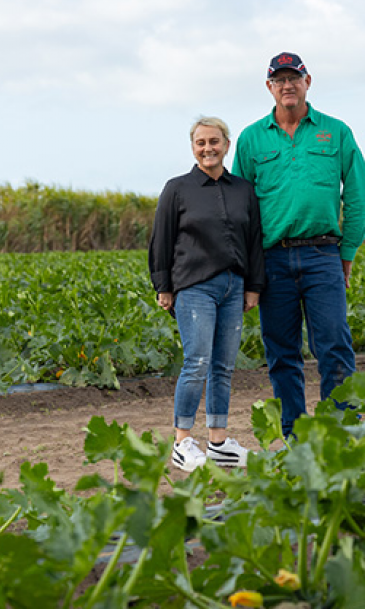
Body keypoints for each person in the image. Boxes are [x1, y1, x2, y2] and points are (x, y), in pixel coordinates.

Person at [233, 52, 365, 438]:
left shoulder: (335, 131)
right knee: (282, 354)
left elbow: (358, 194)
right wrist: (248, 268)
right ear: (269, 88)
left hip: (322, 255)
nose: (287, 86)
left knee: (334, 346)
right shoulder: (251, 138)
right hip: (271, 260)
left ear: (308, 82)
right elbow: (240, 207)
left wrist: (347, 253)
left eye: (294, 78)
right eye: (279, 80)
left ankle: (341, 430)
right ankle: (295, 435)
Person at [149, 116, 266, 472]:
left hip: (233, 287)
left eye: (214, 141)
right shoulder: (178, 189)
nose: (207, 148)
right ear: (193, 147)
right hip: (194, 286)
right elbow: (161, 239)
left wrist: (253, 286)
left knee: (223, 366)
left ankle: (218, 442)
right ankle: (182, 442)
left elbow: (254, 240)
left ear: (226, 145)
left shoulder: (242, 190)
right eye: (200, 143)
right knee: (197, 362)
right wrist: (163, 285)